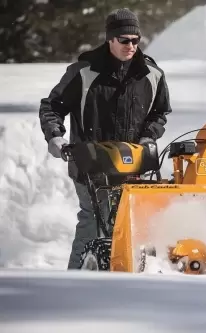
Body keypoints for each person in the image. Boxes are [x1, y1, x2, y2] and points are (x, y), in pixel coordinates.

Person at [38, 8, 172, 269]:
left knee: (134, 225)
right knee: (93, 221)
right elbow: (52, 106)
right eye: (124, 40)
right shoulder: (84, 72)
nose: (131, 46)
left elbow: (160, 113)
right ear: (110, 39)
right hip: (91, 162)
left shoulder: (152, 74)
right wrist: (55, 137)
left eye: (135, 40)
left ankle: (130, 280)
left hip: (134, 164)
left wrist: (148, 137)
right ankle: (77, 278)